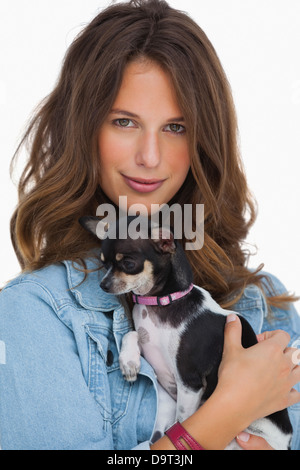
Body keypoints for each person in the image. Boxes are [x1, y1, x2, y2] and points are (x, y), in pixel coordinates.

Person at [0, 0, 299, 450]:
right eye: (124, 122)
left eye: (176, 127)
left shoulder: (262, 303)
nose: (150, 158)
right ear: (82, 131)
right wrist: (228, 410)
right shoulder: (35, 315)